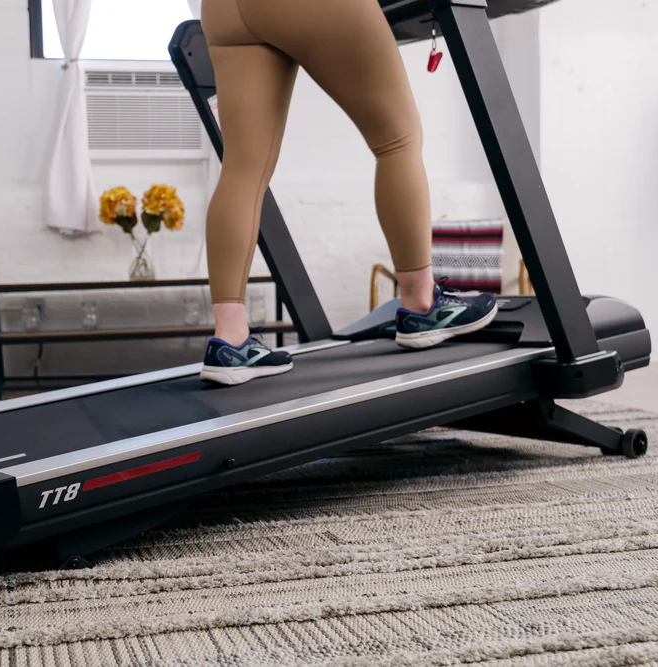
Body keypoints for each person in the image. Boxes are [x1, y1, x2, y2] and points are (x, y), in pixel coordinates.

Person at [198, 0, 499, 387]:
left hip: (223, 10)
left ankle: (230, 340)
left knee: (241, 169)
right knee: (398, 140)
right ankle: (422, 305)